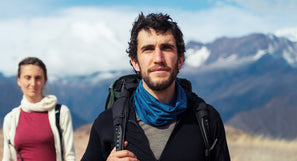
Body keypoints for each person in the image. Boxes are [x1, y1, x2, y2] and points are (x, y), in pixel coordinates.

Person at [81, 13, 230, 161]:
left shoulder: (207, 120)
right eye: (148, 49)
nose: (158, 58)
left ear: (180, 60)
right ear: (135, 62)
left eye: (166, 48)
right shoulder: (107, 123)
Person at [2, 57, 75, 161]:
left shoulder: (60, 113)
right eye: (28, 77)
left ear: (44, 80)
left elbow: (69, 155)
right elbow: (7, 157)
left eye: (38, 78)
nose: (33, 83)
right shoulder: (10, 119)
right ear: (19, 80)